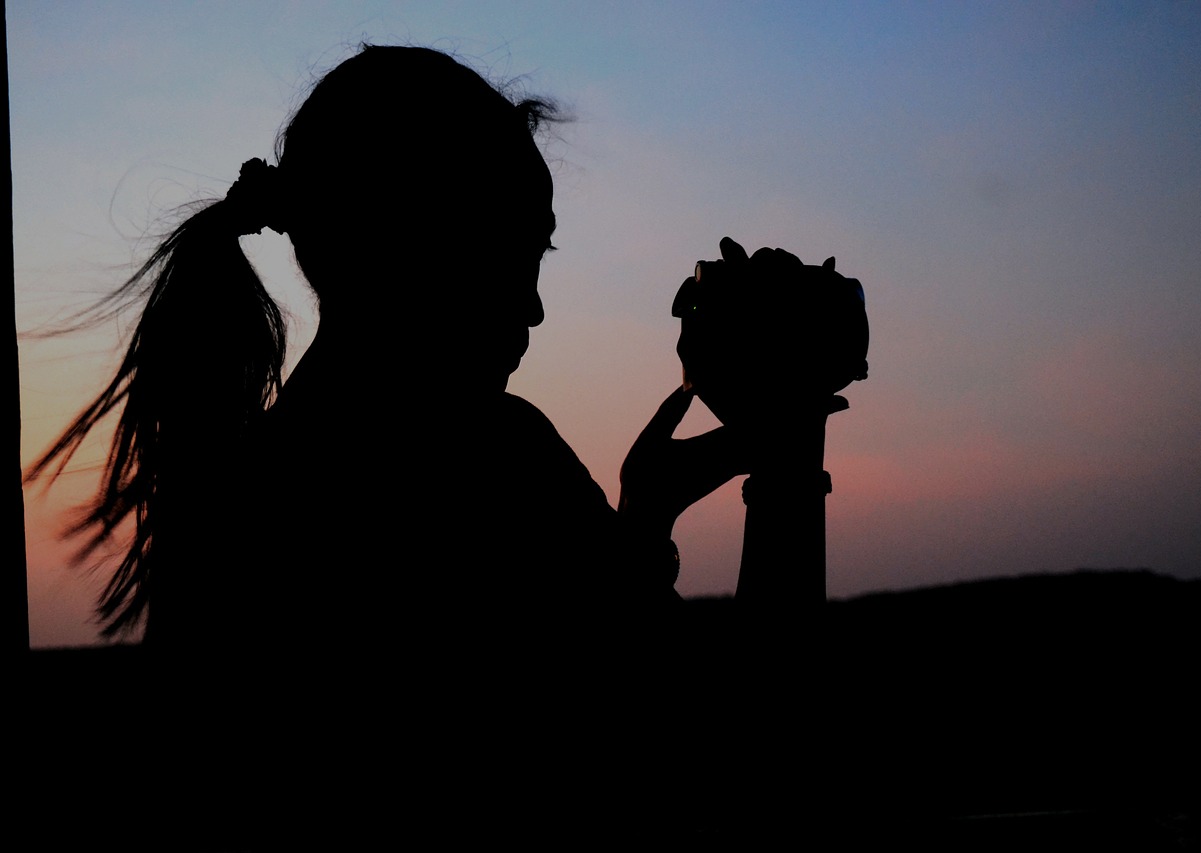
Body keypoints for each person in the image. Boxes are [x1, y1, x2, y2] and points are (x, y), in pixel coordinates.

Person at [27, 44, 750, 656]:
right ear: (416, 249)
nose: (532, 306)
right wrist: (785, 454)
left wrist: (644, 519)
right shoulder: (501, 459)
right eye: (513, 254)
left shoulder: (232, 506)